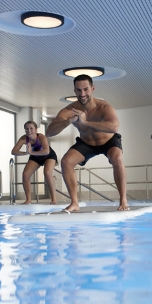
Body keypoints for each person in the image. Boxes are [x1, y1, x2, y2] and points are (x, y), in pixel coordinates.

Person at [46, 74, 128, 211]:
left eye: (85, 89)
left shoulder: (103, 107)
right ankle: (74, 203)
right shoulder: (69, 110)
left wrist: (85, 122)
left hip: (108, 141)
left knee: (117, 157)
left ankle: (123, 200)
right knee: (66, 162)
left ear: (93, 88)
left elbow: (114, 127)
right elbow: (49, 132)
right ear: (74, 91)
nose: (82, 94)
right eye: (78, 90)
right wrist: (69, 121)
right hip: (86, 143)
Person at [11, 120, 58, 204]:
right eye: (27, 129)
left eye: (31, 128)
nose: (29, 131)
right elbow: (14, 151)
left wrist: (31, 152)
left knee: (47, 173)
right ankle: (28, 199)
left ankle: (54, 199)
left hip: (49, 156)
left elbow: (46, 151)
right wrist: (25, 153)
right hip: (36, 157)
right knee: (25, 174)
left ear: (36, 130)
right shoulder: (23, 138)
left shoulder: (41, 137)